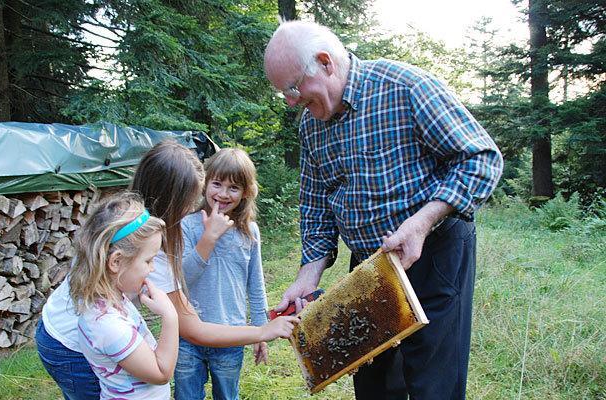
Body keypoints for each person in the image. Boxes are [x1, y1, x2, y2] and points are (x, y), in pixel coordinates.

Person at [263, 21, 503, 400]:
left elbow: (481, 158)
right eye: (284, 93)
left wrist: (422, 221)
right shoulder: (311, 125)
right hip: (370, 266)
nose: (291, 101)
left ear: (325, 63)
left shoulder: (405, 87)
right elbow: (316, 205)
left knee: (432, 385)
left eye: (293, 87)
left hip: (435, 252)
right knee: (375, 386)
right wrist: (308, 275)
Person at [35, 140, 298, 400]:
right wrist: (262, 331)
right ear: (171, 200)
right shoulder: (147, 249)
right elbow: (192, 328)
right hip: (70, 347)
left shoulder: (129, 216)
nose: (193, 207)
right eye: (190, 198)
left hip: (73, 330)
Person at [175, 148, 267, 400]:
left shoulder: (250, 231)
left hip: (230, 336)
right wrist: (208, 238)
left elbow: (255, 285)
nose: (223, 194)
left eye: (234, 188)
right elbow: (181, 279)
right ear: (205, 183)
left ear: (246, 192)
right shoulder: (188, 225)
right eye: (217, 184)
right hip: (187, 337)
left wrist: (261, 331)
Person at [70, 192, 177, 399]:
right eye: (148, 261)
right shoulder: (108, 326)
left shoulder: (111, 298)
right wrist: (170, 316)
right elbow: (162, 373)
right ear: (116, 262)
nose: (152, 269)